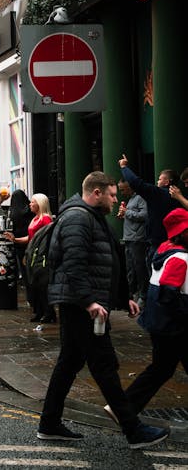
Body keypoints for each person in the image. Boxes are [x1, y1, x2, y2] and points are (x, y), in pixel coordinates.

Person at [37, 171, 169, 449]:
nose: (114, 200)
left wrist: (121, 299)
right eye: (111, 194)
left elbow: (105, 261)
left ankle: (49, 423)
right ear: (96, 193)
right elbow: (74, 264)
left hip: (82, 304)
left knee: (69, 363)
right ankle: (133, 429)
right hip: (80, 306)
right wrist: (89, 301)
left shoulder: (90, 216)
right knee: (104, 365)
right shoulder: (77, 218)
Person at [118, 208, 188, 417]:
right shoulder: (180, 258)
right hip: (174, 326)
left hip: (160, 323)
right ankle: (124, 407)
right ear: (183, 232)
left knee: (161, 369)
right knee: (160, 370)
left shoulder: (164, 250)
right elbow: (169, 291)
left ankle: (124, 407)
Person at [119, 155, 179, 264]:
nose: (157, 181)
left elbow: (136, 183)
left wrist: (124, 167)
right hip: (174, 241)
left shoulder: (158, 193)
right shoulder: (180, 197)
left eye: (160, 179)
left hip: (158, 243)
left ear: (167, 182)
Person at [7, 193, 54, 322]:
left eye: (33, 202)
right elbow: (30, 238)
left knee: (42, 285)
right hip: (32, 254)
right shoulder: (35, 219)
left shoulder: (45, 220)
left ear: (40, 204)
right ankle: (40, 311)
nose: (30, 204)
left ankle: (48, 312)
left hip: (41, 256)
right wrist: (15, 240)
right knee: (34, 284)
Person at [117, 180, 149, 306]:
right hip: (128, 238)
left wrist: (127, 213)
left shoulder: (140, 198)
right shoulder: (130, 199)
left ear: (130, 187)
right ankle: (132, 295)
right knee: (130, 269)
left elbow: (145, 215)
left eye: (123, 189)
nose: (122, 192)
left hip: (138, 239)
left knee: (139, 268)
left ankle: (143, 296)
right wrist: (124, 214)